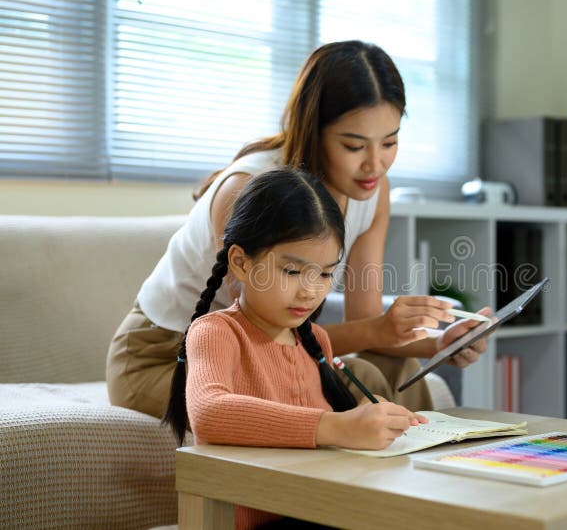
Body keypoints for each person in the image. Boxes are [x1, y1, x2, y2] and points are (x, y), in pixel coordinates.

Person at [107, 39, 488, 420]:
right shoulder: (249, 189)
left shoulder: (372, 192)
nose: (376, 165)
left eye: (390, 142)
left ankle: (419, 472)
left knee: (393, 369)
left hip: (265, 347)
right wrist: (378, 331)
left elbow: (364, 324)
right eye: (354, 146)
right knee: (361, 378)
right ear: (314, 130)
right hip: (169, 356)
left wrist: (438, 344)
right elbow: (262, 339)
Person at [163, 168, 428, 529]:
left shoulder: (315, 338)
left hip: (314, 508)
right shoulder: (215, 332)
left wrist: (364, 413)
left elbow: (328, 428)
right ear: (241, 263)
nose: (310, 291)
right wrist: (336, 427)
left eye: (323, 275)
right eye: (291, 272)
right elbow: (209, 411)